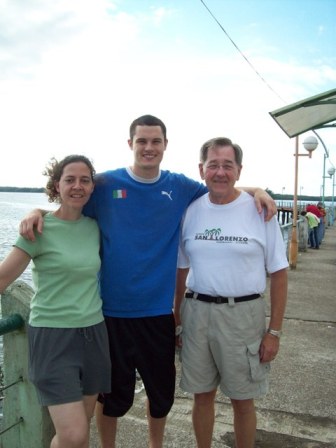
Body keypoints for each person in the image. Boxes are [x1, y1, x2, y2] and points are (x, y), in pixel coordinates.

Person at [19, 115, 277, 448]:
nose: (149, 148)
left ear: (165, 146)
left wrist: (258, 190)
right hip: (109, 314)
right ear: (131, 144)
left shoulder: (180, 186)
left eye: (156, 141)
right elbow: (69, 204)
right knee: (110, 399)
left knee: (160, 398)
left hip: (157, 314)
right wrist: (37, 211)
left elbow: (222, 186)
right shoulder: (106, 184)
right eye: (142, 141)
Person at [174, 137, 288, 448]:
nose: (220, 172)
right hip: (196, 313)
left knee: (243, 399)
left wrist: (274, 332)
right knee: (201, 395)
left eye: (228, 165)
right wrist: (177, 320)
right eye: (213, 165)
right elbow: (181, 272)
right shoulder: (191, 211)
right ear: (202, 169)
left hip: (243, 316)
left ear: (239, 170)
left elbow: (278, 273)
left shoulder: (259, 211)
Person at [0, 155, 111, 448]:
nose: (77, 186)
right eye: (69, 179)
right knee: (73, 435)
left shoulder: (95, 227)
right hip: (52, 337)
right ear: (56, 185)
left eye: (84, 180)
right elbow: (2, 279)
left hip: (93, 334)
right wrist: (36, 211)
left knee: (80, 432)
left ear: (91, 187)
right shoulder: (38, 229)